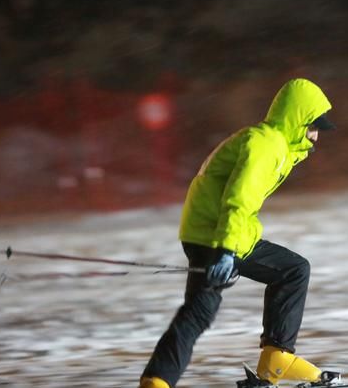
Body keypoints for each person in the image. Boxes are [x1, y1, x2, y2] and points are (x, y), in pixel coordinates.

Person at [140, 78, 336, 388]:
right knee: (289, 272)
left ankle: (158, 380)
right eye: (313, 126)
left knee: (203, 309)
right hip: (216, 234)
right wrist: (226, 251)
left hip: (214, 230)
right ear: (298, 120)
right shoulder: (266, 145)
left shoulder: (273, 144)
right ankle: (276, 359)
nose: (315, 136)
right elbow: (239, 198)